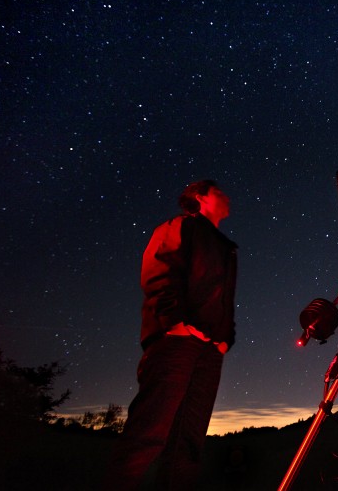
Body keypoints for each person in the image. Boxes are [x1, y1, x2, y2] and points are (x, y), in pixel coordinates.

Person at [105, 179, 238, 490]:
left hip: (209, 349)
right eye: (220, 190)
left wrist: (224, 339)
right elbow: (160, 270)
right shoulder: (179, 226)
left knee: (188, 440)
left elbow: (224, 298)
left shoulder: (226, 247)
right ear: (200, 197)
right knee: (149, 430)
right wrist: (175, 323)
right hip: (176, 341)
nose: (227, 195)